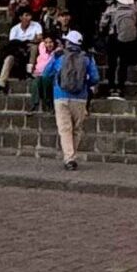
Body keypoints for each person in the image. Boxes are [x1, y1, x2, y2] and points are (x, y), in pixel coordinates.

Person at [51, 29, 99, 169]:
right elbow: (95, 78)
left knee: (65, 129)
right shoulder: (87, 57)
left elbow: (47, 72)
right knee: (77, 129)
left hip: (60, 96)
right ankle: (71, 156)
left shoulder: (58, 55)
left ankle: (69, 158)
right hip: (80, 97)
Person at [97, 0, 137, 99]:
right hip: (128, 39)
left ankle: (111, 87)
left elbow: (103, 23)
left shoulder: (112, 8)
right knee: (123, 64)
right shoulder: (134, 7)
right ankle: (121, 87)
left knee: (112, 63)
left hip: (114, 37)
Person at [0, 5, 43, 89]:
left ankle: (29, 71)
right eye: (26, 15)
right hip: (17, 52)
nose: (28, 18)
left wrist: (28, 42)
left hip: (30, 49)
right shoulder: (15, 29)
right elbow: (13, 44)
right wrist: (27, 41)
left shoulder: (36, 25)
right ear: (20, 17)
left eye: (29, 15)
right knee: (9, 58)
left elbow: (39, 38)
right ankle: (2, 83)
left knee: (34, 47)